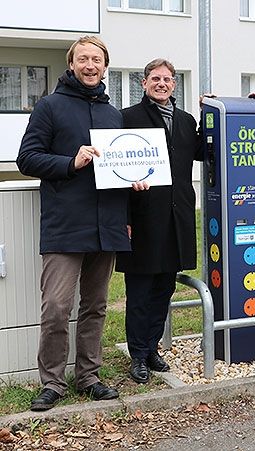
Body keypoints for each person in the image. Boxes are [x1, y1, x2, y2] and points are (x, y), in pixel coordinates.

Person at [17, 36, 148, 411]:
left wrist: (134, 183)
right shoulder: (50, 106)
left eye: (97, 60)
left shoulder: (113, 114)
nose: (91, 66)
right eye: (83, 59)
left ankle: (89, 376)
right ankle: (53, 382)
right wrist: (69, 163)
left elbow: (119, 170)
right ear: (71, 64)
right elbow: (27, 158)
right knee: (57, 306)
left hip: (107, 224)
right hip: (65, 225)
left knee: (96, 306)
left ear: (105, 67)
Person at [115, 59, 203, 384]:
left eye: (167, 79)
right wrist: (123, 216)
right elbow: (116, 171)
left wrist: (213, 115)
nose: (161, 84)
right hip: (141, 218)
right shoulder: (128, 118)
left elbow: (204, 151)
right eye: (156, 78)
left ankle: (151, 348)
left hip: (176, 218)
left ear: (175, 84)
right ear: (144, 82)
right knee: (139, 290)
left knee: (164, 289)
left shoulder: (185, 121)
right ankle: (137, 355)